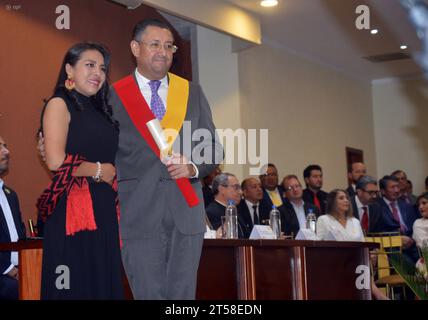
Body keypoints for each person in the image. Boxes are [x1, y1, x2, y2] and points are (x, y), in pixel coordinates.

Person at [110, 19, 223, 299]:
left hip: (186, 213)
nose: (163, 51)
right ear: (135, 48)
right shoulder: (113, 96)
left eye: (169, 46)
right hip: (138, 213)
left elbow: (213, 148)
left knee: (183, 298)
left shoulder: (191, 92)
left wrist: (193, 166)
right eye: (155, 44)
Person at [37, 42, 124, 299]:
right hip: (72, 211)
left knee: (101, 284)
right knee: (74, 286)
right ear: (69, 70)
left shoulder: (102, 112)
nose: (97, 72)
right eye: (89, 65)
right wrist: (98, 171)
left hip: (104, 209)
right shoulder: (58, 103)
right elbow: (54, 161)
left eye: (102, 68)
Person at [316, 189, 389, 300]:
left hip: (355, 261)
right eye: (341, 198)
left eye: (347, 198)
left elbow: (363, 244)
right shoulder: (324, 220)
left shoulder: (354, 221)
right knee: (360, 267)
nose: (346, 201)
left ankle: (374, 295)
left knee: (361, 264)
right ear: (332, 202)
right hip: (333, 262)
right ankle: (378, 295)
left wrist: (371, 254)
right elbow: (319, 244)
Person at [0, 136, 26, 300]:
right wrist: (10, 269)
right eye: (0, 147)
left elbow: (21, 234)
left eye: (5, 146)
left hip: (20, 268)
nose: (7, 151)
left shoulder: (11, 195)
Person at [376, 175, 420, 263]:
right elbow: (376, 232)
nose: (396, 190)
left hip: (412, 244)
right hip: (391, 248)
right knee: (409, 267)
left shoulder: (407, 205)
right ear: (383, 191)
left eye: (397, 187)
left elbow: (414, 226)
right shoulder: (376, 207)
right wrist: (397, 238)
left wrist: (410, 239)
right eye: (392, 187)